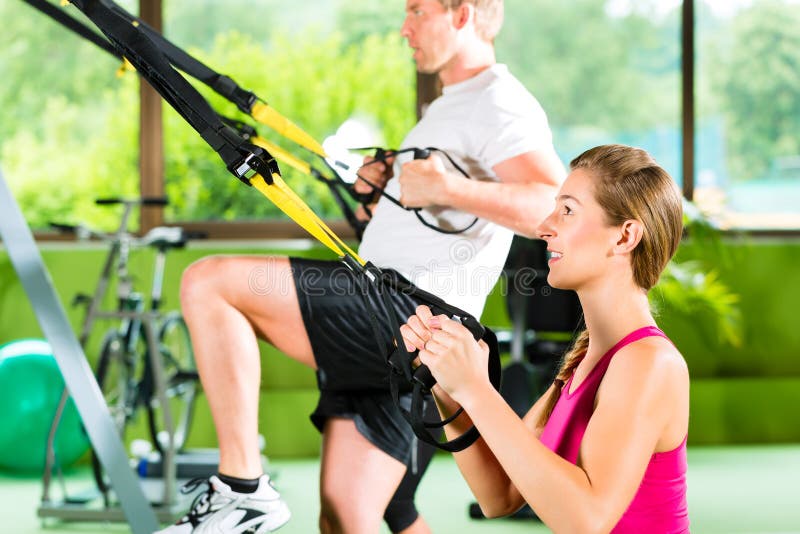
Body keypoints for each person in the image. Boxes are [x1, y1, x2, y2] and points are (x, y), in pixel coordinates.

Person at [157, 0, 564, 532]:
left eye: (418, 11)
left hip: (409, 313)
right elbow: (438, 208)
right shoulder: (447, 108)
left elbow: (553, 207)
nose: (404, 27)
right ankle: (248, 493)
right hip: (398, 320)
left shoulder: (500, 100)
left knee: (209, 282)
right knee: (351, 514)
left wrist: (449, 188)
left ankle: (242, 488)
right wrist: (389, 189)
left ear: (462, 15)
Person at [400, 144, 690, 533]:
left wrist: (475, 389)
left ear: (624, 237)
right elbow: (499, 494)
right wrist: (449, 386)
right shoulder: (586, 359)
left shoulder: (648, 362)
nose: (543, 227)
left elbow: (587, 520)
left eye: (567, 210)